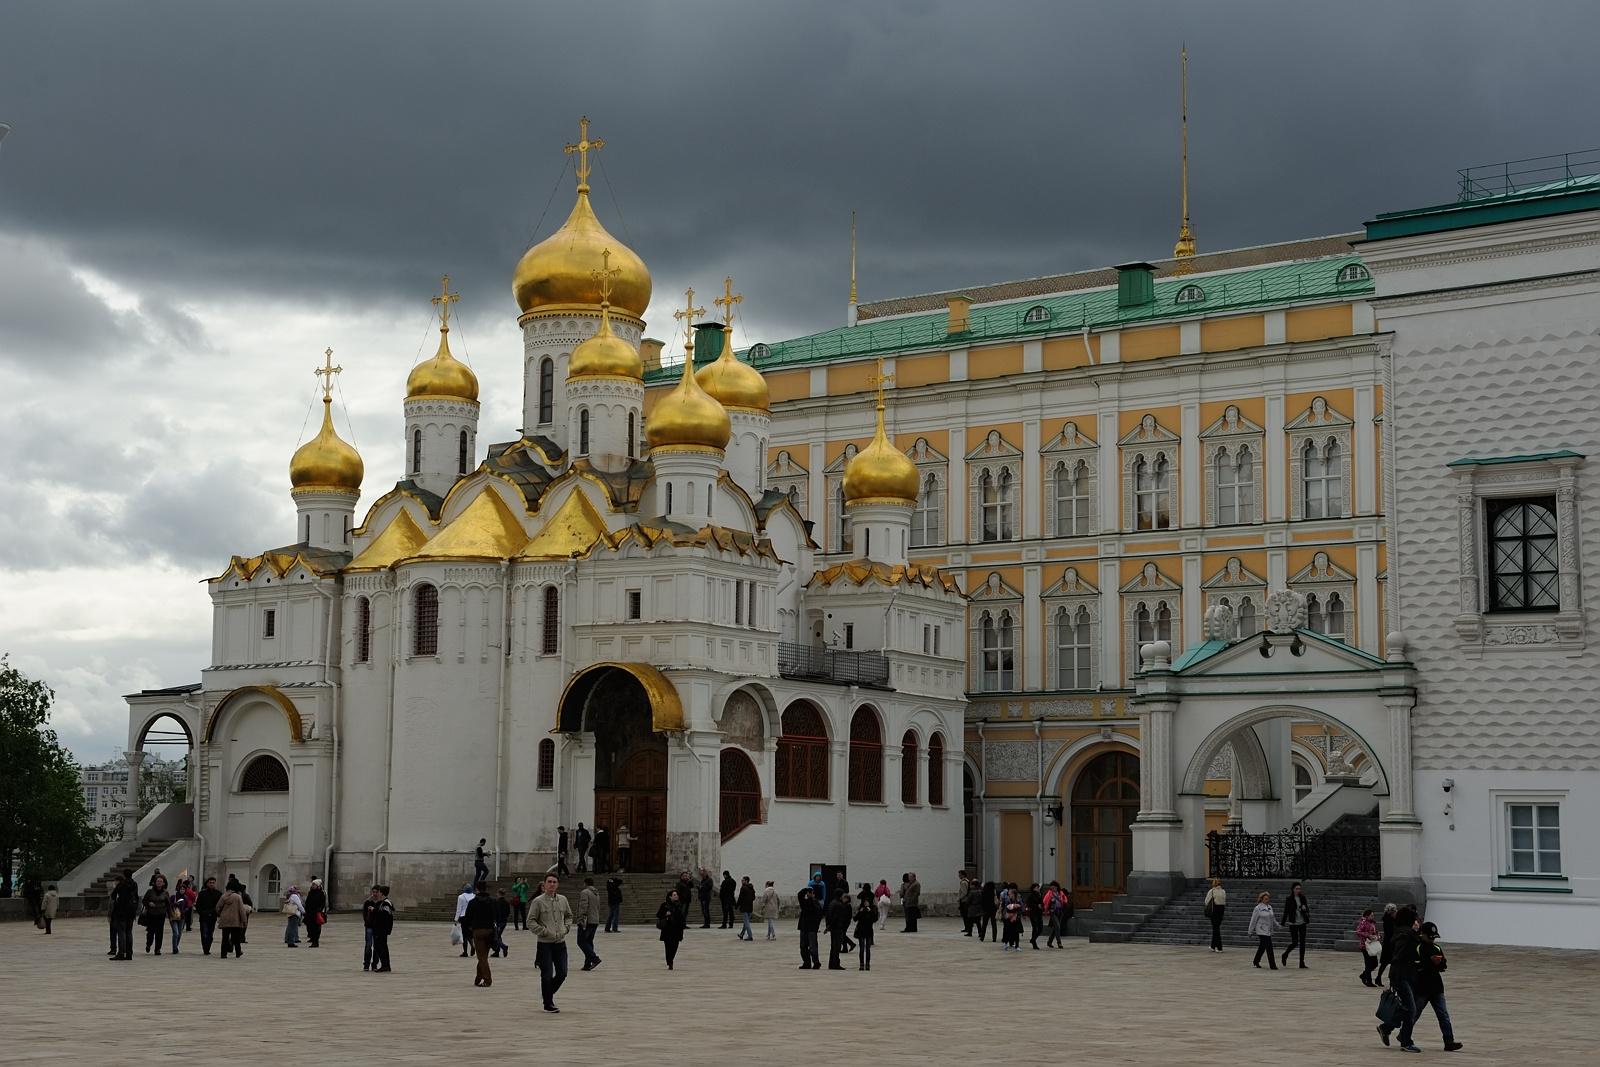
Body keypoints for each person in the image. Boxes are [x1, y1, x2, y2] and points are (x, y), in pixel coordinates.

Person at [529, 873, 573, 1013]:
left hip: (560, 942)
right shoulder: (538, 901)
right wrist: (543, 931)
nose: (552, 884)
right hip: (545, 943)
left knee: (562, 973)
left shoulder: (563, 900)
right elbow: (530, 921)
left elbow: (569, 916)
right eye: (549, 882)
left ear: (557, 884)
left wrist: (566, 928)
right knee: (546, 974)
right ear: (544, 884)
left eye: (554, 882)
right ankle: (548, 1003)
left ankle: (547, 994)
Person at [464, 883, 498, 987]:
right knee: (483, 956)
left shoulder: (473, 902)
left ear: (477, 889)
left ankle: (487, 980)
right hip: (490, 930)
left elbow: (467, 918)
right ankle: (478, 978)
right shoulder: (493, 901)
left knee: (481, 957)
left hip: (478, 931)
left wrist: (468, 930)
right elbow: (497, 914)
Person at [1281, 882, 1311, 968]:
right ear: (1293, 889)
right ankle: (1285, 954)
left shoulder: (1302, 898)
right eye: (1297, 888)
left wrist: (1305, 909)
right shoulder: (1289, 899)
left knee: (1302, 943)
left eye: (1299, 889)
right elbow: (1286, 911)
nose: (1299, 890)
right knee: (1295, 942)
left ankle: (1301, 962)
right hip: (1293, 923)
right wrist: (1282, 923)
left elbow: (1306, 908)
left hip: (1302, 922)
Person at [656, 888, 688, 969]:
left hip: (677, 928)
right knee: (668, 946)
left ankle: (671, 959)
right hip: (668, 928)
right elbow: (658, 915)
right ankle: (669, 961)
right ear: (670, 897)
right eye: (674, 895)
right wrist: (665, 914)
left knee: (675, 946)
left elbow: (682, 917)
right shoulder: (665, 905)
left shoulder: (680, 905)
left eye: (677, 895)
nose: (676, 896)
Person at [216, 878, 247, 959]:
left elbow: (218, 907)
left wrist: (221, 914)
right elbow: (241, 910)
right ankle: (238, 952)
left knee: (225, 938)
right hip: (235, 920)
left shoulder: (223, 896)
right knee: (236, 938)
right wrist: (244, 921)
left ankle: (223, 954)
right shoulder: (238, 897)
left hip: (225, 920)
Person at [1249, 890, 1280, 969]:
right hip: (1261, 930)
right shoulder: (1258, 908)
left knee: (1262, 947)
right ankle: (1272, 965)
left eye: (1268, 898)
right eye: (1265, 899)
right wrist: (1250, 930)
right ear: (1261, 899)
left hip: (1268, 930)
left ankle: (1256, 961)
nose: (1267, 900)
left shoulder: (1270, 907)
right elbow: (1253, 920)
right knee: (1269, 946)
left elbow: (1273, 918)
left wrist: (1278, 925)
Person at [141, 874, 172, 955]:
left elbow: (168, 904)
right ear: (155, 882)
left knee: (159, 932)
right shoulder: (150, 891)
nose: (159, 883)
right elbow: (144, 901)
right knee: (150, 932)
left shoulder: (165, 893)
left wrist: (170, 915)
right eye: (158, 881)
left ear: (164, 883)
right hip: (151, 914)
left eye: (161, 881)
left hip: (161, 915)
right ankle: (148, 944)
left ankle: (157, 949)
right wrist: (148, 903)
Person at [576, 877, 602, 971]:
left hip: (586, 921)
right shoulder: (596, 893)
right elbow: (598, 907)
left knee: (581, 941)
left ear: (585, 883)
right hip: (595, 920)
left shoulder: (585, 892)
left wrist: (581, 919)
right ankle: (587, 964)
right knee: (589, 942)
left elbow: (583, 906)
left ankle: (594, 959)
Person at [796, 887, 823, 969]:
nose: (808, 895)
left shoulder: (814, 903)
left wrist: (816, 926)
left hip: (811, 928)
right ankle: (807, 963)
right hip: (805, 927)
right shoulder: (805, 902)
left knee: (812, 947)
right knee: (804, 946)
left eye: (809, 893)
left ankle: (815, 962)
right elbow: (800, 895)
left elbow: (819, 916)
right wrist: (806, 890)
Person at [369, 885, 394, 972]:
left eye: (379, 892)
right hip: (381, 929)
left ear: (382, 893)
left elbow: (385, 916)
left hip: (382, 930)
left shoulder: (386, 903)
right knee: (381, 947)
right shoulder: (383, 902)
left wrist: (374, 911)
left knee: (381, 947)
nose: (378, 894)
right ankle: (385, 965)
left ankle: (385, 965)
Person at [194, 875, 221, 955]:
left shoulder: (218, 893)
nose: (212, 884)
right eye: (210, 883)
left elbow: (219, 905)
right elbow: (198, 905)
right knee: (204, 933)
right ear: (207, 884)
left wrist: (215, 913)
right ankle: (205, 948)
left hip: (213, 917)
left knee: (210, 933)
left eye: (213, 883)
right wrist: (202, 913)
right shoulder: (202, 893)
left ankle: (208, 947)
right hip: (203, 917)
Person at [825, 891, 852, 969]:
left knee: (833, 947)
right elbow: (836, 918)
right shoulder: (839, 905)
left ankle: (831, 964)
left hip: (833, 928)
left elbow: (828, 915)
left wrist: (828, 926)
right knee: (837, 947)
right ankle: (835, 964)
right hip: (837, 928)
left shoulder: (832, 903)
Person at [1355, 908, 1381, 987]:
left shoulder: (1372, 923)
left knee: (1374, 963)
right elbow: (1358, 931)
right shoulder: (1363, 922)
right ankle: (1368, 980)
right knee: (1368, 963)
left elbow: (1375, 932)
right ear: (1367, 915)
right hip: (1365, 945)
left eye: (1373, 915)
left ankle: (1364, 975)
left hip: (1372, 944)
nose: (1373, 917)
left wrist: (1377, 936)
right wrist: (1367, 935)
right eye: (1371, 915)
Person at [1376, 902, 1399, 985]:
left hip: (1387, 942)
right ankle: (1389, 979)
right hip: (1391, 943)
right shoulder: (1391, 920)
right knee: (1391, 962)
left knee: (1385, 962)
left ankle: (1378, 977)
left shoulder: (1386, 919)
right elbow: (1392, 931)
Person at [854, 894, 877, 971]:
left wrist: (870, 911)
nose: (866, 903)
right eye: (865, 902)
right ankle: (861, 964)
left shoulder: (873, 908)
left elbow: (874, 919)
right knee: (861, 948)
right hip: (861, 930)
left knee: (867, 949)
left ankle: (867, 964)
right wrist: (860, 912)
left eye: (867, 902)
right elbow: (855, 919)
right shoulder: (860, 908)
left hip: (868, 931)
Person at [1203, 878, 1227, 952]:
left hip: (1215, 911)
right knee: (1216, 928)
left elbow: (1206, 901)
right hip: (1221, 910)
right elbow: (1224, 900)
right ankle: (1213, 946)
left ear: (1214, 884)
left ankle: (1219, 947)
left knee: (1216, 929)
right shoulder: (1223, 891)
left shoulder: (1212, 891)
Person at [1043, 881, 1069, 948]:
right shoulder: (1049, 894)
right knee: (1057, 926)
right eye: (1051, 887)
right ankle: (1059, 943)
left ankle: (1049, 942)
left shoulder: (1060, 893)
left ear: (1056, 887)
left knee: (1055, 928)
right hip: (1053, 912)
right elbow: (1045, 901)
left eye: (1053, 887)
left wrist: (1064, 901)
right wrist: (1045, 910)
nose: (1052, 888)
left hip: (1060, 912)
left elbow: (1065, 900)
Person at [361, 885, 382, 971]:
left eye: (376, 892)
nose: (375, 894)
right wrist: (367, 920)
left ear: (379, 892)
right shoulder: (368, 902)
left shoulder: (381, 903)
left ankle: (374, 964)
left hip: (377, 926)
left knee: (376, 946)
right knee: (368, 945)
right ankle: (366, 964)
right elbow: (364, 914)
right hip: (369, 926)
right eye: (373, 892)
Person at [304, 878, 326, 948]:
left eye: (314, 884)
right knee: (310, 927)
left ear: (318, 886)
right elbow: (307, 902)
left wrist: (319, 910)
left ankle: (315, 942)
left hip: (317, 913)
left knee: (316, 928)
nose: (313, 886)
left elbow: (323, 903)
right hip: (309, 913)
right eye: (312, 884)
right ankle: (312, 939)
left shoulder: (321, 893)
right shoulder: (310, 892)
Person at [455, 882, 475, 958]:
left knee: (464, 935)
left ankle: (465, 952)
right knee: (470, 934)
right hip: (471, 917)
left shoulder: (461, 897)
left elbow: (458, 909)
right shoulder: (474, 896)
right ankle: (472, 945)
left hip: (463, 917)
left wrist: (456, 919)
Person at [167, 879, 188, 953]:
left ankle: (176, 946)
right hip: (173, 917)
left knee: (179, 934)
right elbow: (168, 906)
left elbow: (187, 907)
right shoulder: (173, 897)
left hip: (182, 917)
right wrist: (174, 904)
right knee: (175, 933)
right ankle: (174, 948)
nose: (182, 890)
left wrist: (184, 911)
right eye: (181, 889)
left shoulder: (185, 897)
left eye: (183, 889)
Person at [492, 888, 512, 957]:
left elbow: (495, 912)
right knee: (498, 936)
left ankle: (503, 947)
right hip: (504, 921)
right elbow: (508, 912)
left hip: (499, 921)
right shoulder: (506, 902)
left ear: (498, 893)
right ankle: (497, 952)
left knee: (496, 937)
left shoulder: (497, 902)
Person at [736, 876, 756, 941]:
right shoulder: (751, 888)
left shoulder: (743, 888)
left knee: (746, 923)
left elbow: (740, 898)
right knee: (746, 922)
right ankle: (742, 934)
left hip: (744, 907)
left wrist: (737, 905)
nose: (742, 881)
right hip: (750, 907)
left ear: (746, 881)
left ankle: (750, 936)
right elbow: (754, 897)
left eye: (743, 880)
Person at [1026, 883, 1045, 950]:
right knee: (1035, 928)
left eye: (1038, 887)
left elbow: (1042, 903)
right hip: (1033, 914)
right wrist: (1037, 906)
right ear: (1034, 888)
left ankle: (1033, 939)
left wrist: (1042, 907)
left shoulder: (1039, 895)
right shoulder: (1031, 895)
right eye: (1037, 887)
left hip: (1039, 913)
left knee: (1040, 928)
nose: (1038, 888)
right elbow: (1029, 904)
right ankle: (1034, 943)